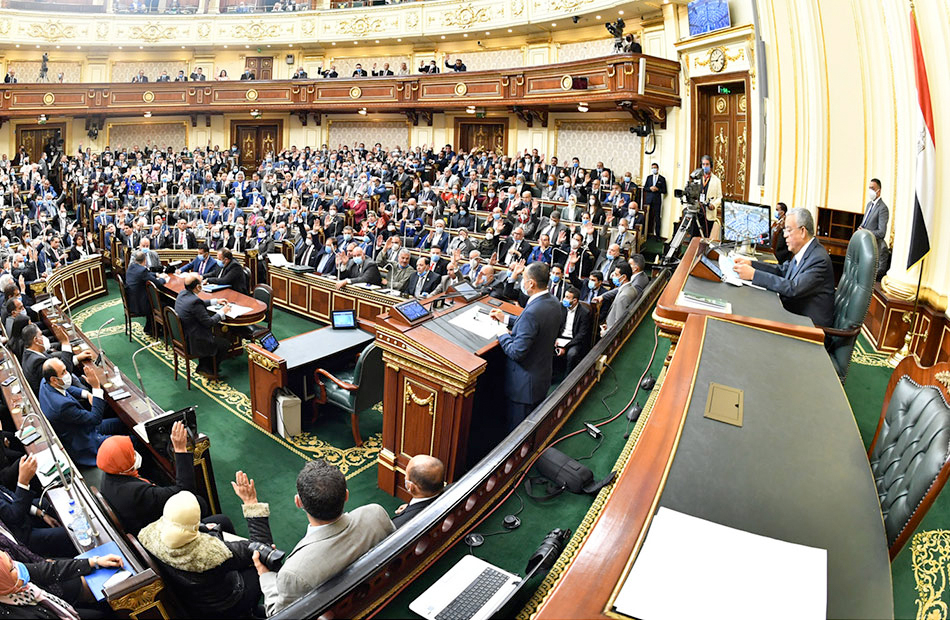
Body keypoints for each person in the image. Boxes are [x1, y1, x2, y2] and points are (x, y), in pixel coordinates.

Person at [256, 459, 394, 615]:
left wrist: (265, 575)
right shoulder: (376, 514)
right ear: (346, 495)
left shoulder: (293, 573)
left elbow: (278, 615)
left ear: (298, 502)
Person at [138, 474, 273, 617]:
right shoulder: (212, 554)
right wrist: (251, 503)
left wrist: (201, 528)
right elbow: (263, 547)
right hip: (224, 602)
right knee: (264, 565)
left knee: (221, 520)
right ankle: (246, 612)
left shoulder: (148, 535)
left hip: (193, 598)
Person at [489, 262, 563, 431]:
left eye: (524, 278)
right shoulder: (553, 302)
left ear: (531, 283)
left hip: (523, 387)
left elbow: (516, 352)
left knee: (517, 434)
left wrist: (502, 333)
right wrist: (506, 319)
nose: (522, 281)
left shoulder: (532, 311)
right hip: (541, 377)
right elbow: (534, 326)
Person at [733, 207, 835, 327]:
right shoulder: (807, 251)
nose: (785, 235)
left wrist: (754, 275)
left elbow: (794, 289)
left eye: (788, 230)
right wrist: (751, 264)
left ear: (802, 231)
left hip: (810, 326)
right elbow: (782, 270)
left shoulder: (819, 259)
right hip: (797, 315)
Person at [98, 421, 205, 535]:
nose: (135, 454)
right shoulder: (138, 493)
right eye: (131, 453)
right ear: (122, 463)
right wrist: (180, 450)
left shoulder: (110, 472)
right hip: (154, 529)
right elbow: (186, 491)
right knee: (200, 503)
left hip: (134, 515)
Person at [38, 358, 127, 468]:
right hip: (86, 442)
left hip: (84, 429)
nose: (67, 374)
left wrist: (87, 394)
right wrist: (96, 387)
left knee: (123, 423)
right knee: (132, 442)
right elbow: (95, 419)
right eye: (63, 372)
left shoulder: (46, 382)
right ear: (54, 379)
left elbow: (66, 388)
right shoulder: (62, 407)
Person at [0, 549, 123, 618]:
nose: (19, 567)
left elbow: (48, 570)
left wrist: (94, 561)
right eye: (12, 569)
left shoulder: (14, 584)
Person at [0, 454, 74, 557]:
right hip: (22, 536)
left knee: (46, 503)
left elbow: (11, 497)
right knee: (70, 535)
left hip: (23, 517)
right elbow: (14, 516)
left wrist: (41, 513)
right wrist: (23, 482)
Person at [174, 273, 232, 375]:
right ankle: (209, 369)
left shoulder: (182, 294)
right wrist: (222, 311)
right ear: (198, 287)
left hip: (183, 336)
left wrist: (216, 301)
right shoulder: (194, 301)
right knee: (224, 344)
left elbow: (199, 303)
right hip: (194, 341)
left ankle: (204, 365)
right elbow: (209, 323)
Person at [20, 324, 92, 397]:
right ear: (36, 340)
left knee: (87, 378)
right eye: (41, 335)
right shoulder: (37, 361)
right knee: (89, 388)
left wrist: (77, 358)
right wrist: (65, 342)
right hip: (60, 392)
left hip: (61, 383)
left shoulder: (29, 352)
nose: (44, 337)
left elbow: (58, 367)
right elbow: (64, 373)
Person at [392, 455, 445, 528]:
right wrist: (410, 508)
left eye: (406, 475)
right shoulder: (455, 487)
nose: (405, 477)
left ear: (411, 487)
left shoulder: (398, 525)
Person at [125, 251, 167, 332]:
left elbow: (148, 274)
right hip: (140, 305)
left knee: (152, 297)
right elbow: (158, 284)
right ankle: (156, 329)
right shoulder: (142, 271)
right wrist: (164, 279)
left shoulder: (131, 267)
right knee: (164, 302)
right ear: (145, 260)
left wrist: (156, 274)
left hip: (131, 301)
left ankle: (151, 327)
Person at [556, 286, 593, 373]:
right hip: (560, 338)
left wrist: (565, 346)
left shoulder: (584, 313)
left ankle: (567, 380)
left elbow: (582, 334)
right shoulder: (560, 307)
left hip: (573, 341)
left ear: (575, 301)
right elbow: (555, 325)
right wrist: (554, 339)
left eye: (567, 297)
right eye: (565, 296)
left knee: (572, 354)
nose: (564, 299)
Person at [858, 178, 889, 279]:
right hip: (864, 245)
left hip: (873, 248)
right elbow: (865, 224)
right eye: (869, 188)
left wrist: (866, 232)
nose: (870, 191)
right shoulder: (869, 205)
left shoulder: (883, 208)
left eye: (872, 188)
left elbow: (881, 232)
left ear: (878, 191)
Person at [602, 262, 639, 331]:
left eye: (616, 274)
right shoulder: (631, 288)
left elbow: (618, 324)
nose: (613, 276)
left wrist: (605, 332)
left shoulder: (624, 296)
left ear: (624, 277)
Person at [698, 154, 722, 238]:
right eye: (703, 164)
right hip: (697, 212)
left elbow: (720, 197)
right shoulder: (697, 178)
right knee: (694, 237)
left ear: (710, 165)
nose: (705, 166)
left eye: (707, 164)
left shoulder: (716, 180)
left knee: (705, 238)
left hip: (708, 212)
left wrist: (714, 205)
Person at [643, 162, 667, 239]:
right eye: (652, 168)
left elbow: (664, 191)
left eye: (655, 168)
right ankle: (645, 233)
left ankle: (657, 236)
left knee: (657, 218)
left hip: (657, 200)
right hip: (648, 200)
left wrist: (657, 189)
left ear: (658, 169)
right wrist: (650, 188)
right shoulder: (649, 177)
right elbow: (645, 188)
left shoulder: (662, 179)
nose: (654, 169)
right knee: (647, 217)